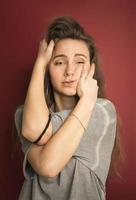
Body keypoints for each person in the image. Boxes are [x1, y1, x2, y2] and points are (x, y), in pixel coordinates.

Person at [15, 16, 119, 200]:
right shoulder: (24, 115)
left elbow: (48, 166)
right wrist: (39, 64)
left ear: (91, 69)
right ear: (48, 68)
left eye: (79, 62)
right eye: (59, 62)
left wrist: (88, 102)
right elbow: (34, 129)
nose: (70, 71)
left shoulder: (102, 112)